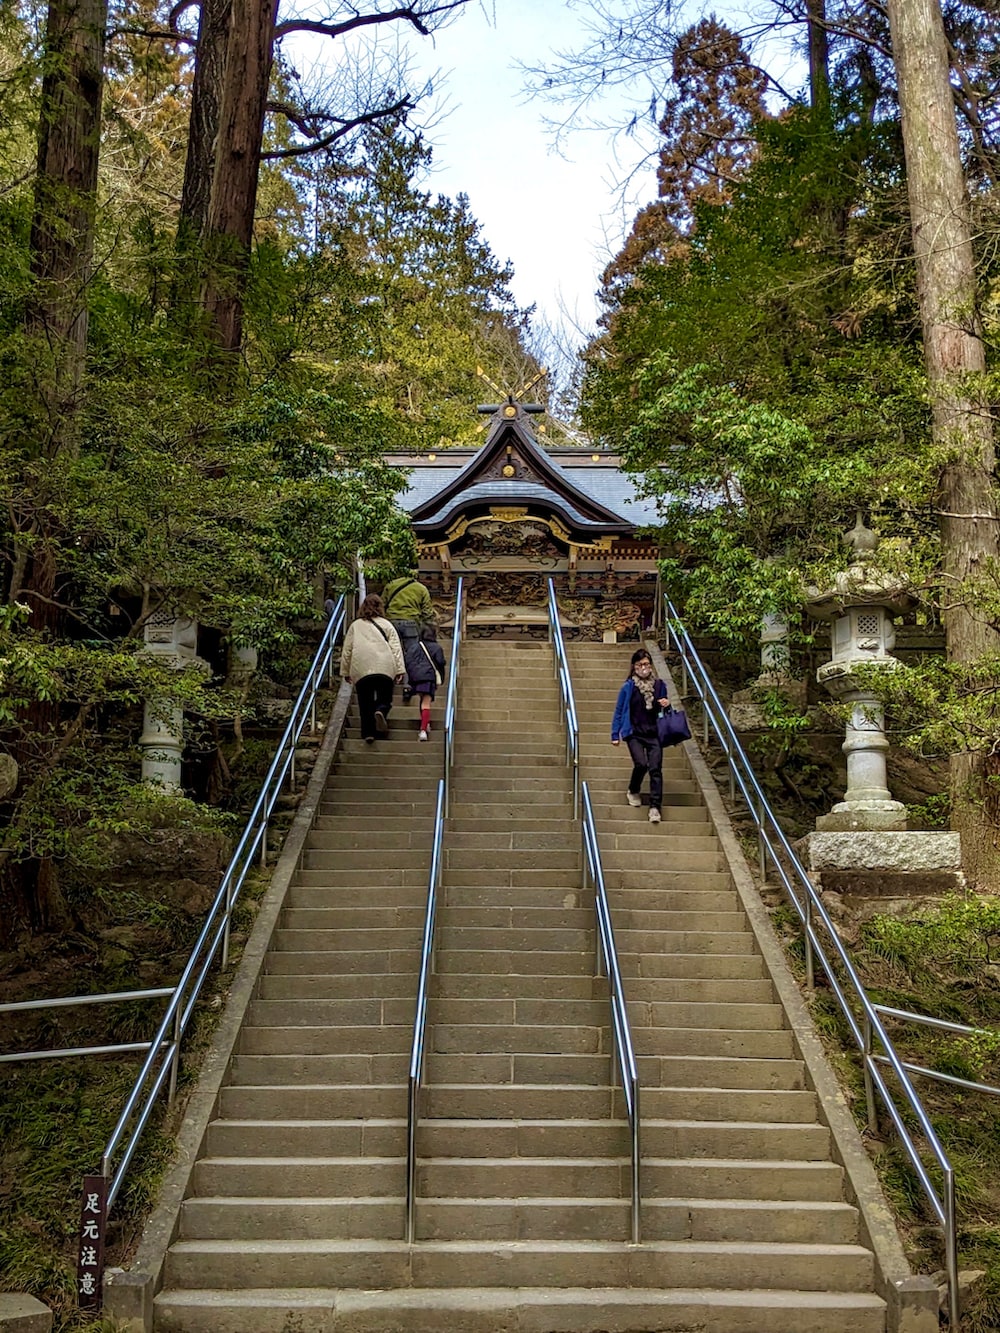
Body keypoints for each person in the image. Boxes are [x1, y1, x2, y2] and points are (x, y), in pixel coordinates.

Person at [610, 648, 670, 824]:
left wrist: (666, 704)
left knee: (655, 768)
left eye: (646, 664)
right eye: (640, 664)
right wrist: (615, 734)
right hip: (634, 733)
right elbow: (619, 710)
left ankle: (655, 806)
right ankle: (633, 789)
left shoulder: (659, 685)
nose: (644, 668)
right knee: (641, 764)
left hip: (654, 733)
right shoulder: (628, 687)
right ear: (634, 666)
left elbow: (664, 710)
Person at [340, 594, 405, 743]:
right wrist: (400, 669)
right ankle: (381, 709)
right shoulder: (387, 625)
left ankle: (368, 733)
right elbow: (396, 648)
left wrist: (345, 671)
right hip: (385, 667)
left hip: (361, 668)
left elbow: (347, 650)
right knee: (385, 697)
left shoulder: (355, 626)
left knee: (365, 702)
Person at [382, 571, 435, 694]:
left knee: (392, 652)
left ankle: (389, 681)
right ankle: (407, 685)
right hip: (411, 623)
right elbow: (427, 612)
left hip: (391, 622)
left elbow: (382, 604)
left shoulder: (391, 585)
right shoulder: (421, 588)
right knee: (411, 654)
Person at [402, 625, 446, 742]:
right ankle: (423, 730)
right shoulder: (436, 647)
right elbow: (441, 662)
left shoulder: (414, 647)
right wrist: (441, 678)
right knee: (426, 703)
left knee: (422, 700)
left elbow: (408, 661)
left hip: (416, 677)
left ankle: (425, 724)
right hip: (429, 677)